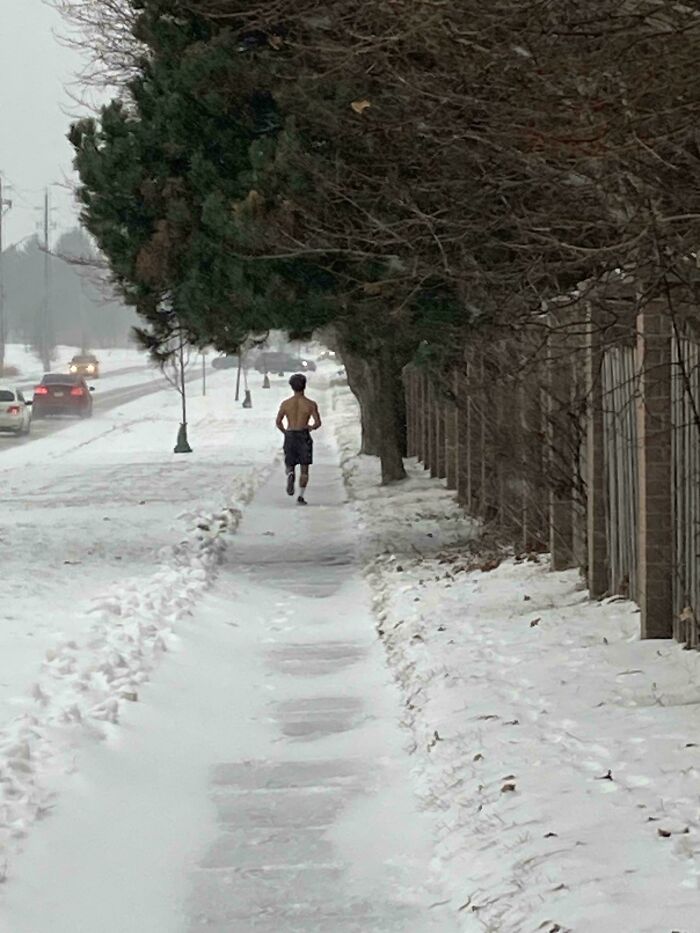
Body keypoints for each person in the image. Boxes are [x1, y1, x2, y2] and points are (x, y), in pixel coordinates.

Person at [275, 373, 322, 504]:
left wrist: (285, 432)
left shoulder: (285, 404)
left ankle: (290, 473)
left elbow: (278, 421)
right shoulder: (310, 404)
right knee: (304, 468)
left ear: (291, 387)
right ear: (304, 386)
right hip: (303, 435)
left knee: (289, 462)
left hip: (290, 434)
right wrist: (311, 427)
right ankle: (300, 496)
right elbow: (318, 422)